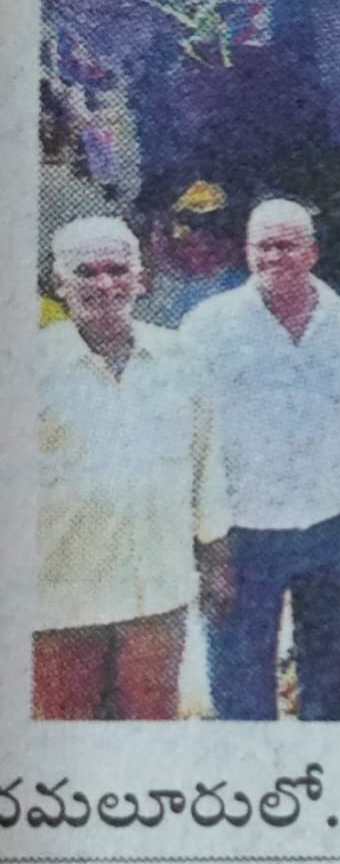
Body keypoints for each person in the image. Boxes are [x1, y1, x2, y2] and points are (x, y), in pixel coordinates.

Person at [182, 198, 340, 720]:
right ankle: (251, 787)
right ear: (246, 251)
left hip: (335, 522)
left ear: (313, 253)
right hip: (243, 530)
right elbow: (187, 436)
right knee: (239, 680)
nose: (274, 256)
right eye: (262, 245)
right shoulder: (207, 327)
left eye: (287, 245)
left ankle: (323, 779)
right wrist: (201, 538)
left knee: (333, 675)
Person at [35, 217, 230, 719]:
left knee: (150, 732)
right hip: (60, 591)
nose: (104, 284)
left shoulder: (181, 358)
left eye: (117, 270)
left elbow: (207, 466)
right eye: (87, 272)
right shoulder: (27, 367)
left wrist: (217, 561)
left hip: (158, 585)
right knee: (64, 736)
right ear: (60, 283)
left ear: (140, 278)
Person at [134, 180, 248, 329]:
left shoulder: (241, 287)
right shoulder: (150, 287)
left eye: (212, 224)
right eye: (189, 220)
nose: (202, 245)